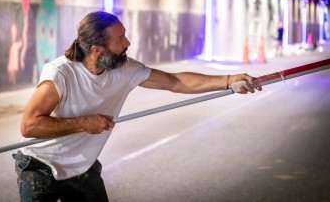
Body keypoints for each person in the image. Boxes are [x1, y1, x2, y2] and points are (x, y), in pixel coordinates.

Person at [14, 11, 262, 201]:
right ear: (96, 49)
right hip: (40, 167)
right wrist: (84, 123)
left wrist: (229, 80)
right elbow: (30, 125)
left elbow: (175, 82)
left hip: (82, 168)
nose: (128, 43)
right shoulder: (60, 74)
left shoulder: (125, 68)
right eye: (120, 39)